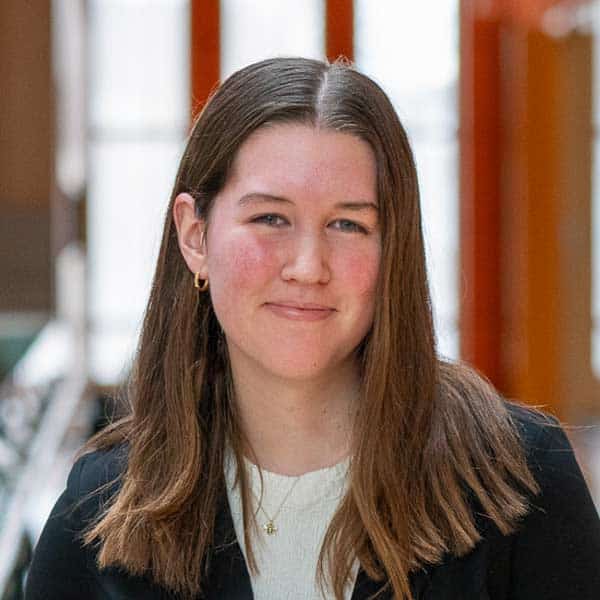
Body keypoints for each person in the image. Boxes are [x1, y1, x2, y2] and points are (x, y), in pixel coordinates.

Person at [25, 57, 600, 600]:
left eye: (347, 224)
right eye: (270, 218)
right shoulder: (97, 515)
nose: (307, 266)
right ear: (195, 237)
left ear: (391, 250)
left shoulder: (523, 483)